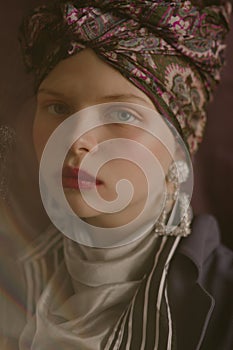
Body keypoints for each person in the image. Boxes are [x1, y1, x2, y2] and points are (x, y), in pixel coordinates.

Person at [4, 0, 232, 349]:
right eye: (58, 107)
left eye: (122, 115)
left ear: (179, 139)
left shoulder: (224, 304)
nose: (76, 140)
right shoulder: (13, 272)